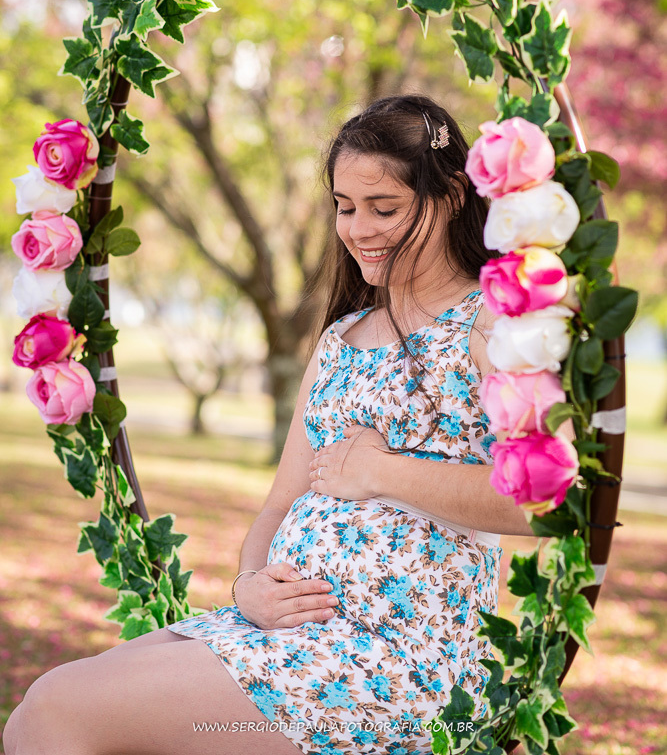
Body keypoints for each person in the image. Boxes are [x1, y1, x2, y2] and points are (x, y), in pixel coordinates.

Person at [4, 94, 548, 755]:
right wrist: (250, 586)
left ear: (453, 196)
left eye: (385, 208)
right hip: (284, 634)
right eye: (345, 207)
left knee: (61, 712)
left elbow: (539, 505)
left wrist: (382, 473)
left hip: (397, 664)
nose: (359, 229)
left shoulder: (487, 324)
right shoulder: (342, 336)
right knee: (41, 706)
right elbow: (277, 507)